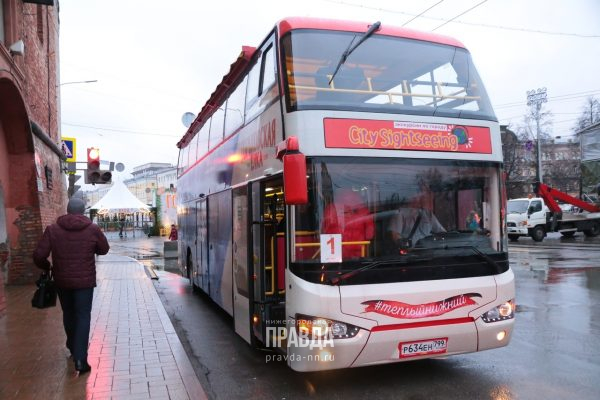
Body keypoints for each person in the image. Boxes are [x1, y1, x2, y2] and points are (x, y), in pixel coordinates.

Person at [33, 197, 109, 375]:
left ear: (67, 210)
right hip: (84, 282)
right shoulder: (92, 229)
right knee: (83, 316)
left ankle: (72, 347)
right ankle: (81, 360)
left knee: (68, 313)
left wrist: (47, 267)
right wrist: (92, 249)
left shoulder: (53, 229)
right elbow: (104, 249)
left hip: (62, 281)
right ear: (83, 211)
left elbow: (38, 255)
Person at [322, 189, 374, 259]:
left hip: (333, 252)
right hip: (358, 252)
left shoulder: (331, 209)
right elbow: (370, 234)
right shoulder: (363, 210)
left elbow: (323, 230)